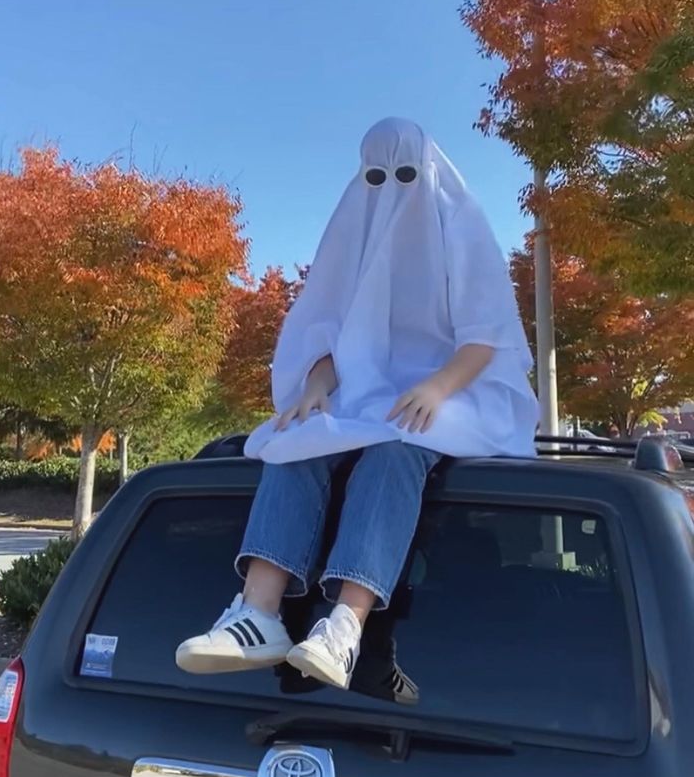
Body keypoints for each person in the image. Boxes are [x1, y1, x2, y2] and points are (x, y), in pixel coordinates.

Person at [176, 117, 538, 690]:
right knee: (296, 440)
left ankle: (346, 623)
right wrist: (317, 386)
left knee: (397, 455)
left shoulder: (460, 228)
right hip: (362, 394)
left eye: (403, 173)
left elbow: (486, 336)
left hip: (454, 394)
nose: (389, 188)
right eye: (375, 175)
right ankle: (258, 611)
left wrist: (437, 387)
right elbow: (328, 331)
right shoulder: (354, 230)